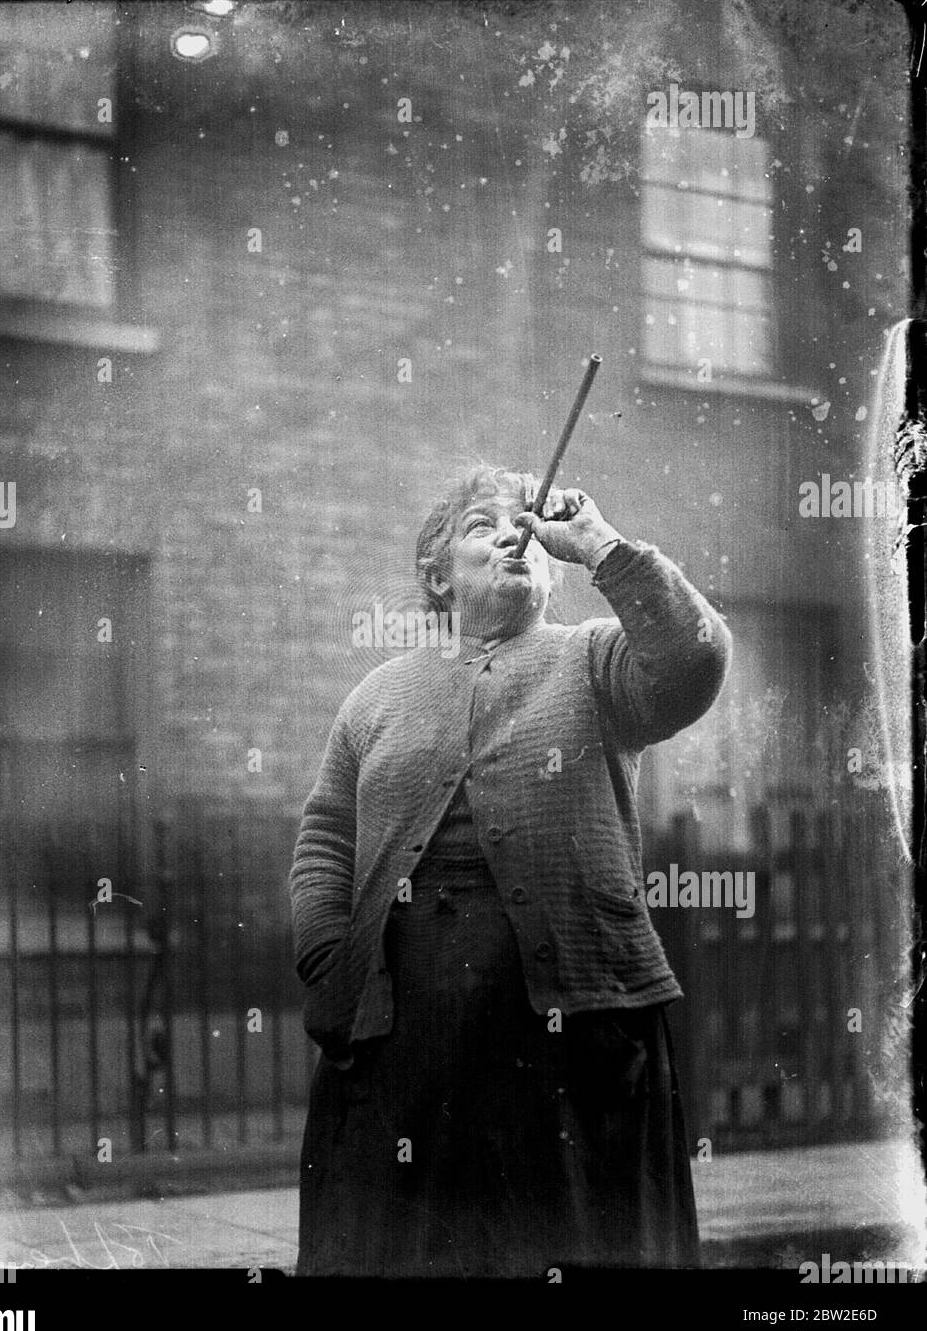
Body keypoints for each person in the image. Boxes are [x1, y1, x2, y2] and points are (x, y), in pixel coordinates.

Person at [289, 464, 732, 1277]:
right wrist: (327, 958)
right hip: (403, 1034)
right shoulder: (376, 697)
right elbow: (325, 836)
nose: (512, 534)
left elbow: (693, 662)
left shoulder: (595, 660)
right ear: (436, 574)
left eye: (523, 522)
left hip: (569, 1027)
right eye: (480, 525)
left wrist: (597, 544)